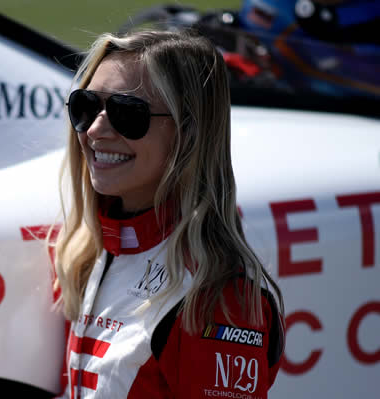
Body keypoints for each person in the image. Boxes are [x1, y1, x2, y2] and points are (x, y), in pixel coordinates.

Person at [52, 30, 285, 398]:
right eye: (86, 106)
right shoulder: (86, 251)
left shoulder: (217, 297)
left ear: (190, 133)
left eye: (127, 113)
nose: (95, 129)